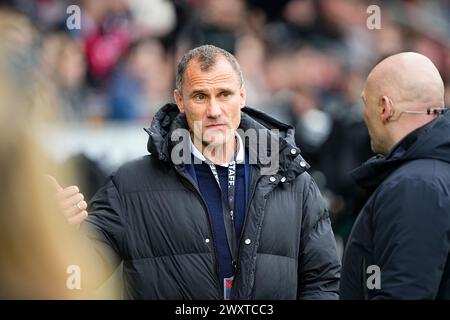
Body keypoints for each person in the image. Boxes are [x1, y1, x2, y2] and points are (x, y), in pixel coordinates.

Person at [58, 44, 341, 299]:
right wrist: (53, 227)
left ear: (242, 97)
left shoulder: (293, 181)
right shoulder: (128, 186)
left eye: (224, 94)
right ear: (180, 101)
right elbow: (73, 278)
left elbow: (323, 282)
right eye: (200, 97)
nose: (214, 110)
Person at [340, 52, 450, 299]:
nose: (364, 115)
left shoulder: (418, 184)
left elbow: (404, 293)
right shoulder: (431, 173)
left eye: (365, 102)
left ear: (385, 107)